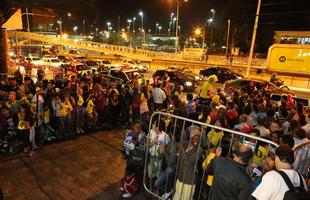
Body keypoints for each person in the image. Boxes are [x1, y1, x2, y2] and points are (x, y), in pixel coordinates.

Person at [173, 128, 202, 200]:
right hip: (181, 176)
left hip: (189, 180)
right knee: (177, 196)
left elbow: (189, 162)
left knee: (186, 198)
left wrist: (182, 150)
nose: (196, 140)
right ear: (191, 138)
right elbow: (177, 146)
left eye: (198, 139)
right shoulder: (186, 144)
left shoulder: (199, 150)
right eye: (194, 138)